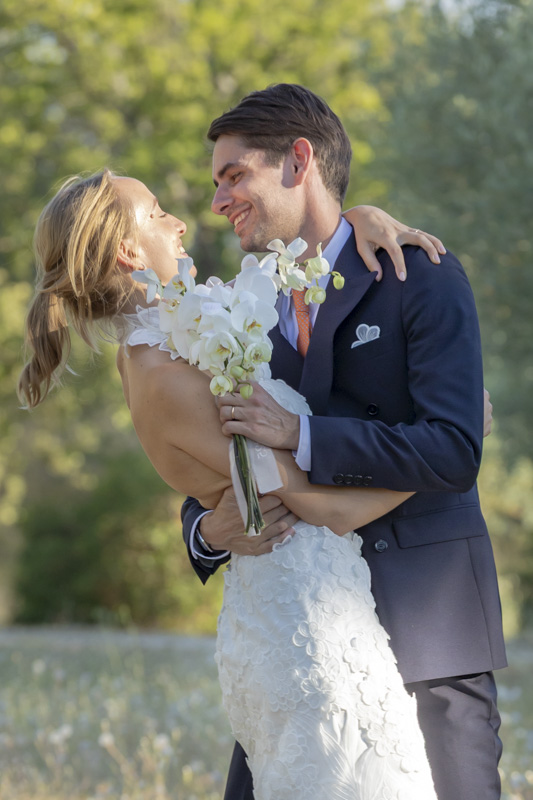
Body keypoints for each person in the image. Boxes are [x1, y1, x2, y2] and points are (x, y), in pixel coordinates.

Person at [18, 168, 474, 799]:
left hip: (315, 613)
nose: (181, 223)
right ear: (127, 251)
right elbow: (324, 508)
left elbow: (291, 272)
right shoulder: (163, 374)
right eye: (157, 213)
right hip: (307, 629)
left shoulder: (182, 337)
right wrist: (443, 452)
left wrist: (357, 217)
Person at [181, 84, 507, 800]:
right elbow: (209, 458)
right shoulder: (237, 307)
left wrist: (300, 432)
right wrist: (205, 532)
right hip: (299, 648)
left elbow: (454, 451)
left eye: (235, 175)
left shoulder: (418, 277)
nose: (218, 200)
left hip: (428, 635)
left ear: (298, 161)